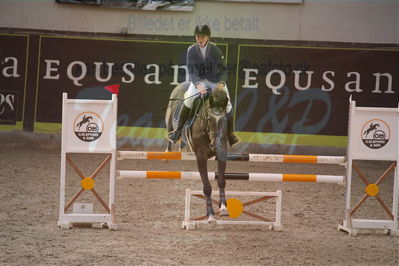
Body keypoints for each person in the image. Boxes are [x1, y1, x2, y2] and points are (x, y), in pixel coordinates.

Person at [167, 24, 240, 147]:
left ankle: (231, 134)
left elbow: (224, 70)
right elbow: (191, 70)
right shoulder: (191, 50)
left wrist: (221, 83)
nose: (200, 39)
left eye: (203, 37)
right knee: (188, 101)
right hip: (199, 81)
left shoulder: (215, 50)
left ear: (208, 38)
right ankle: (177, 131)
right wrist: (197, 84)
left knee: (227, 104)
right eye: (198, 36)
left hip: (215, 81)